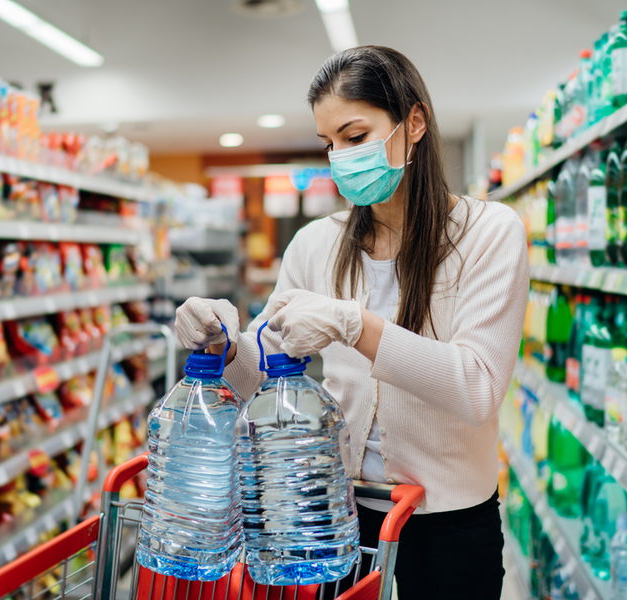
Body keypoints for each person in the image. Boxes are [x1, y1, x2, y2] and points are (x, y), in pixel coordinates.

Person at [174, 45, 529, 599]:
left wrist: (351, 323)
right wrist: (221, 344)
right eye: (329, 143)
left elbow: (477, 387)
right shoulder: (317, 244)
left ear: (414, 123)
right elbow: (260, 375)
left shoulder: (489, 233)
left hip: (448, 527)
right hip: (331, 520)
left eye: (355, 136)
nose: (340, 157)